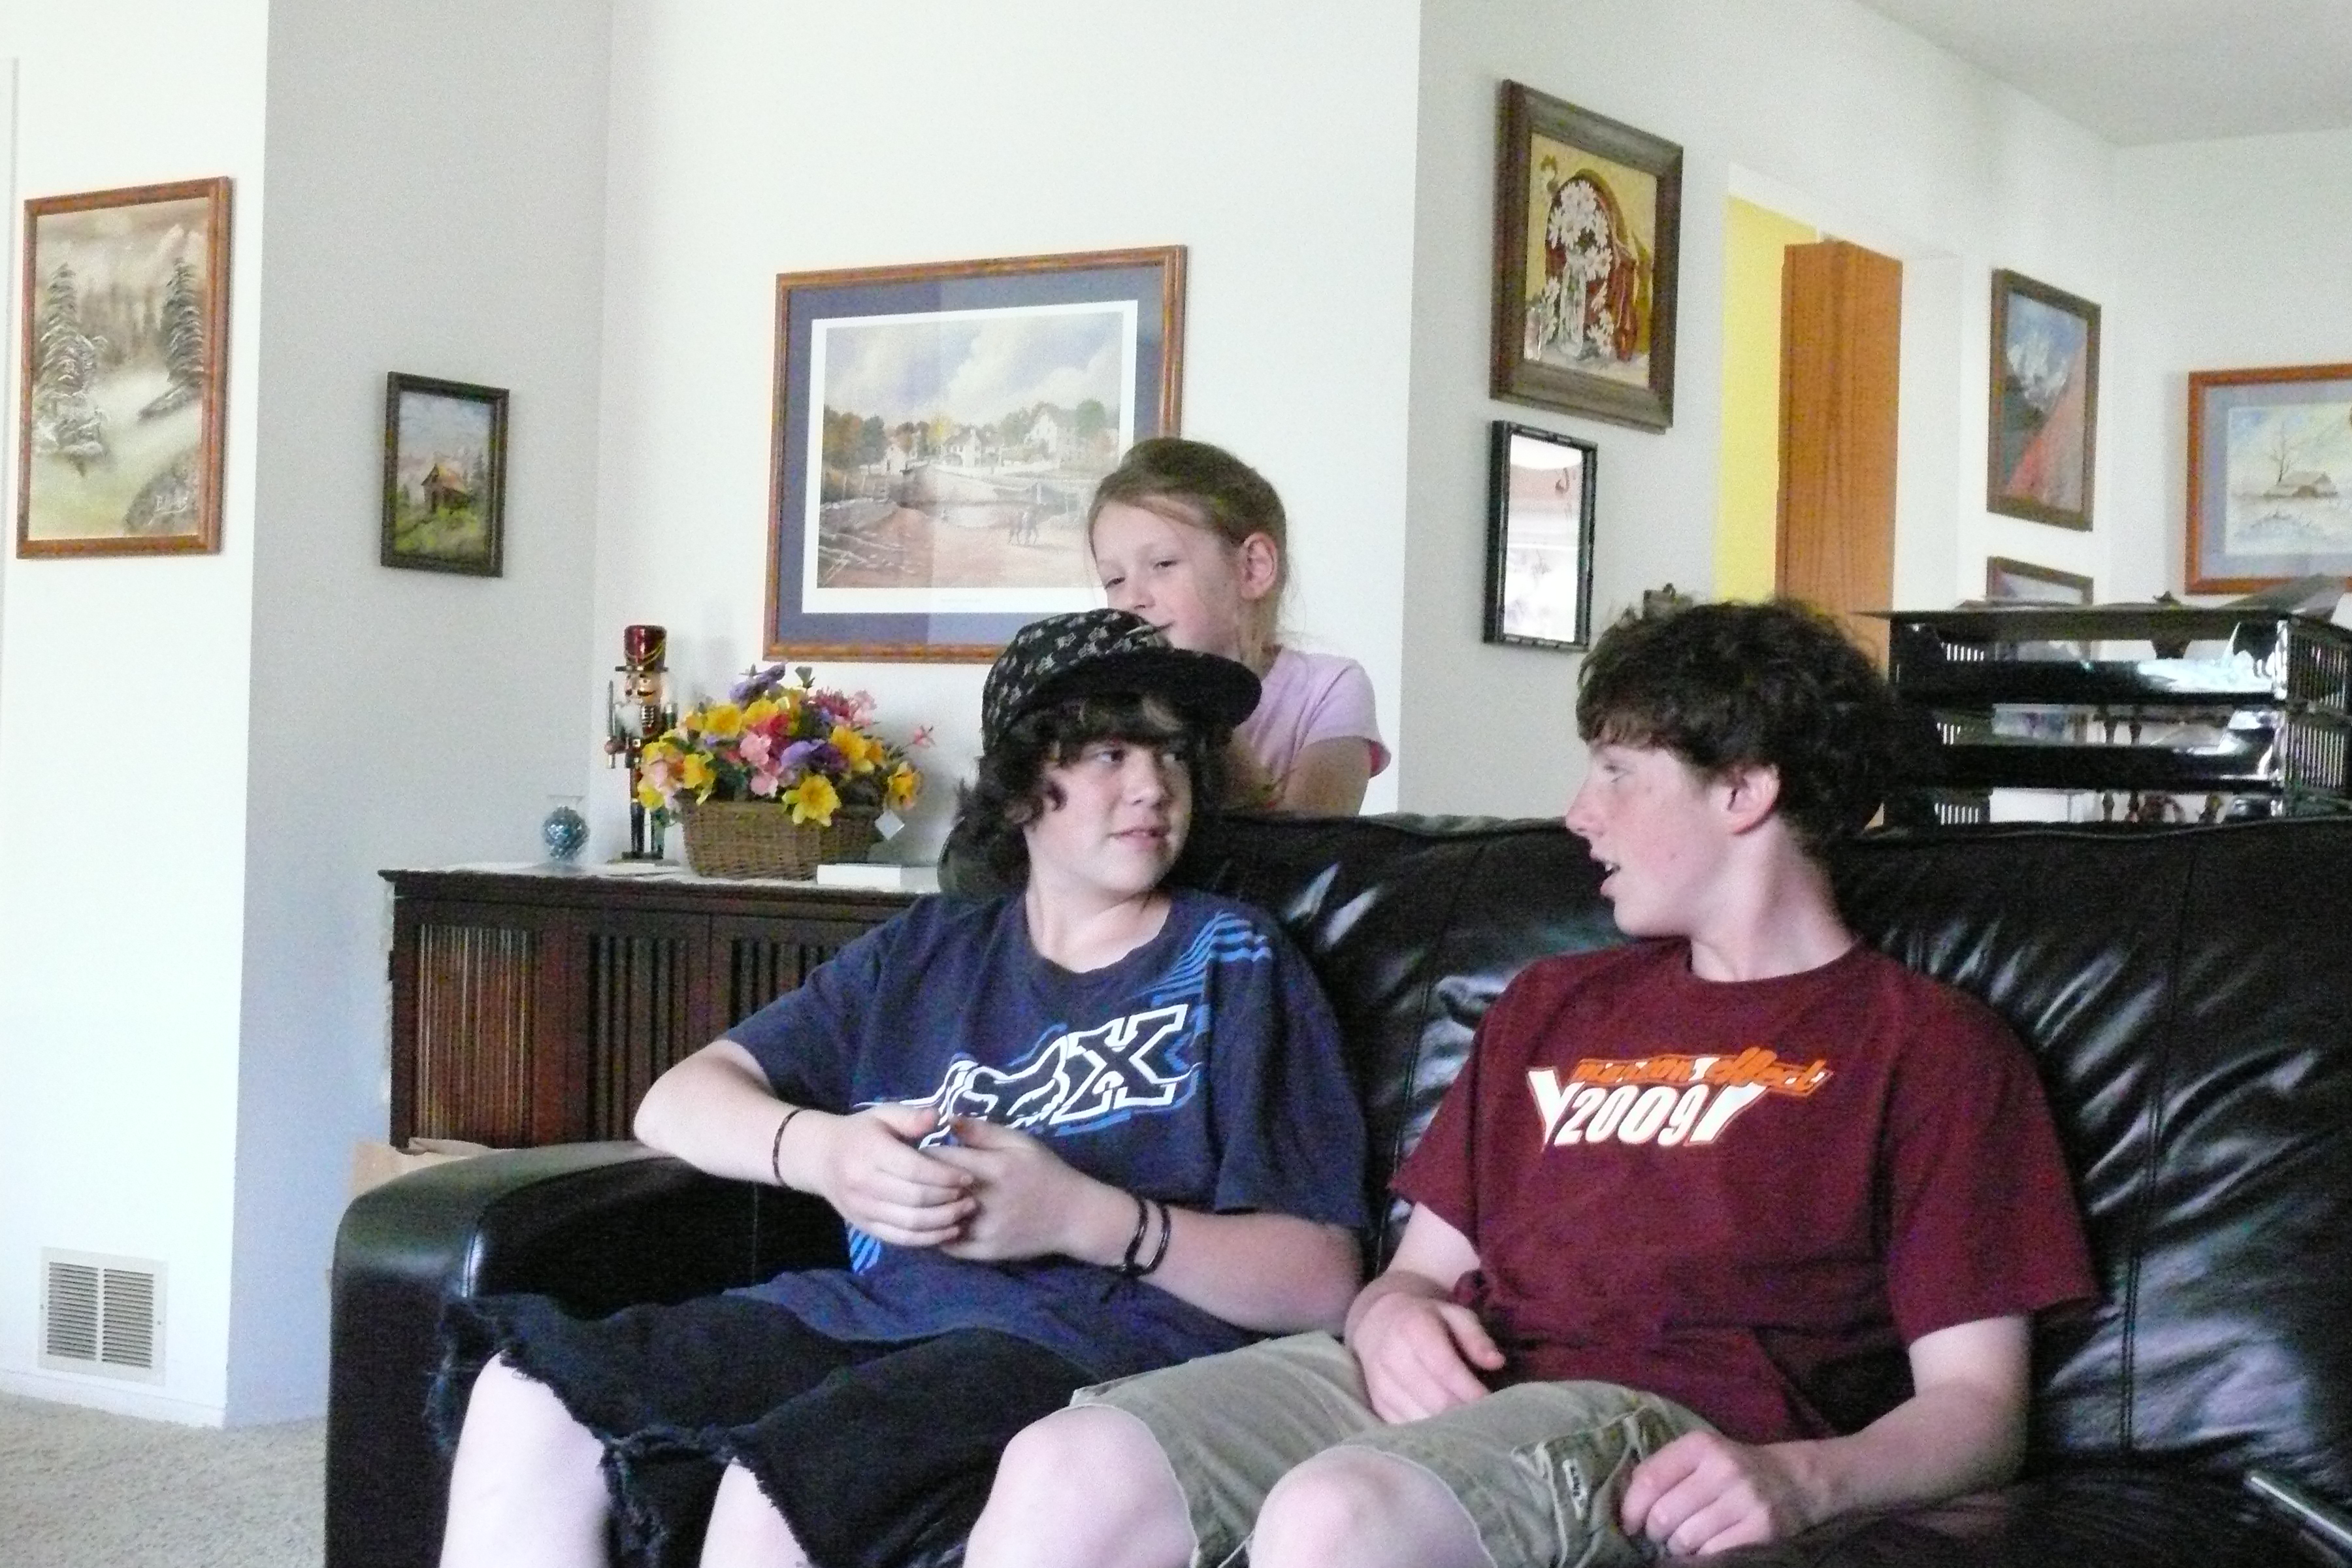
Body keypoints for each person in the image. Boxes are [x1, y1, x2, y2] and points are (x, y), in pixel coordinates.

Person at [968, 597, 2099, 1568]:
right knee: (1069, 1462)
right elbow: (1413, 1276)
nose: (1578, 813)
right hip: (1443, 1392)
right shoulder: (1551, 1005)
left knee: (1338, 1515)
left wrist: (1806, 1480)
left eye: (1618, 772)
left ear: (1745, 790)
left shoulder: (1931, 1048)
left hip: (1660, 1417)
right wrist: (1391, 1321)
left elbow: (1979, 1409)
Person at [433, 608, 1368, 1568]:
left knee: (784, 1485)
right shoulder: (927, 951)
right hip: (869, 1317)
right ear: (1019, 790)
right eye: (1108, 754)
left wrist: (1081, 1216)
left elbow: (1321, 1279)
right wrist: (826, 1154)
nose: (1152, 786)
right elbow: (675, 1102)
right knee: (525, 1396)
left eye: (1172, 754)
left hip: (1083, 1343)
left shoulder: (1233, 959)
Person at [1087, 437, 1389, 814]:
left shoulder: (1328, 689)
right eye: (1114, 580)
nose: (1133, 598)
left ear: (1252, 568)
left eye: (1163, 564)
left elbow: (1309, 842)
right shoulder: (1101, 701)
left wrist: (1204, 709)